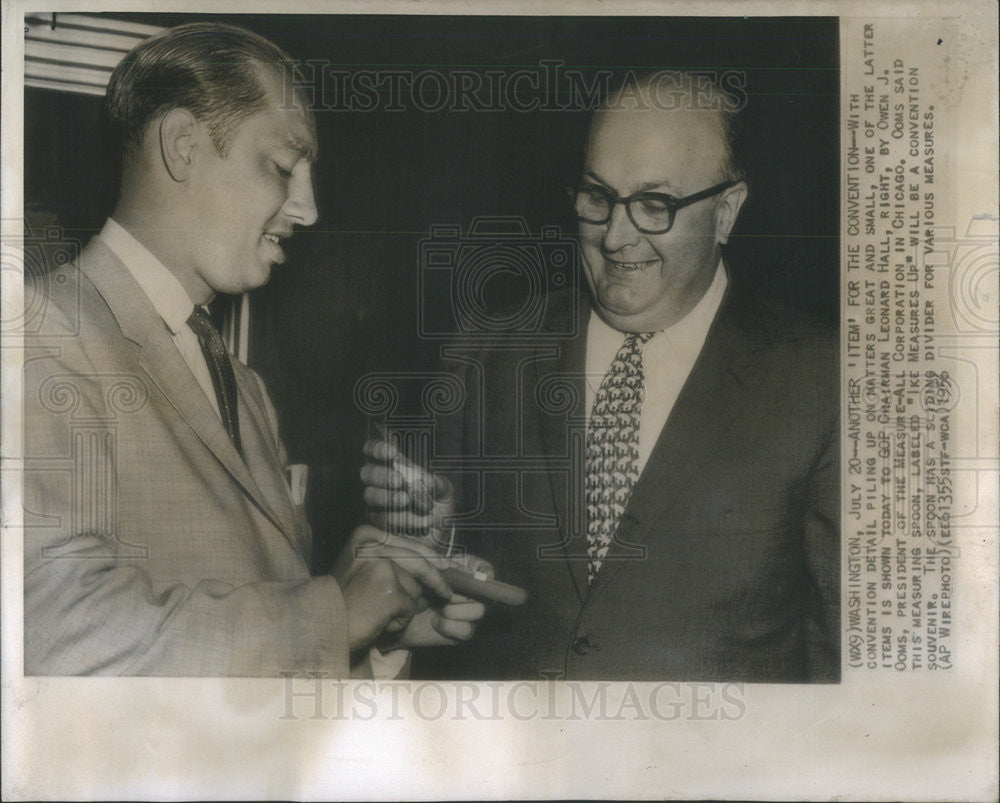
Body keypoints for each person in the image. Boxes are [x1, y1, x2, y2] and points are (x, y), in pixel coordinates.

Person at [22, 22, 484, 676]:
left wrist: (378, 633)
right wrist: (334, 614)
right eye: (283, 166)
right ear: (183, 145)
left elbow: (264, 631)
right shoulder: (37, 336)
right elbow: (58, 640)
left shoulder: (242, 385)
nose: (309, 208)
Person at [364, 71, 839, 682]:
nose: (615, 236)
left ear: (726, 212)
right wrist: (428, 537)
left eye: (654, 204)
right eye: (596, 197)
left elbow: (849, 670)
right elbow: (434, 595)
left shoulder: (821, 379)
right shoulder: (485, 350)